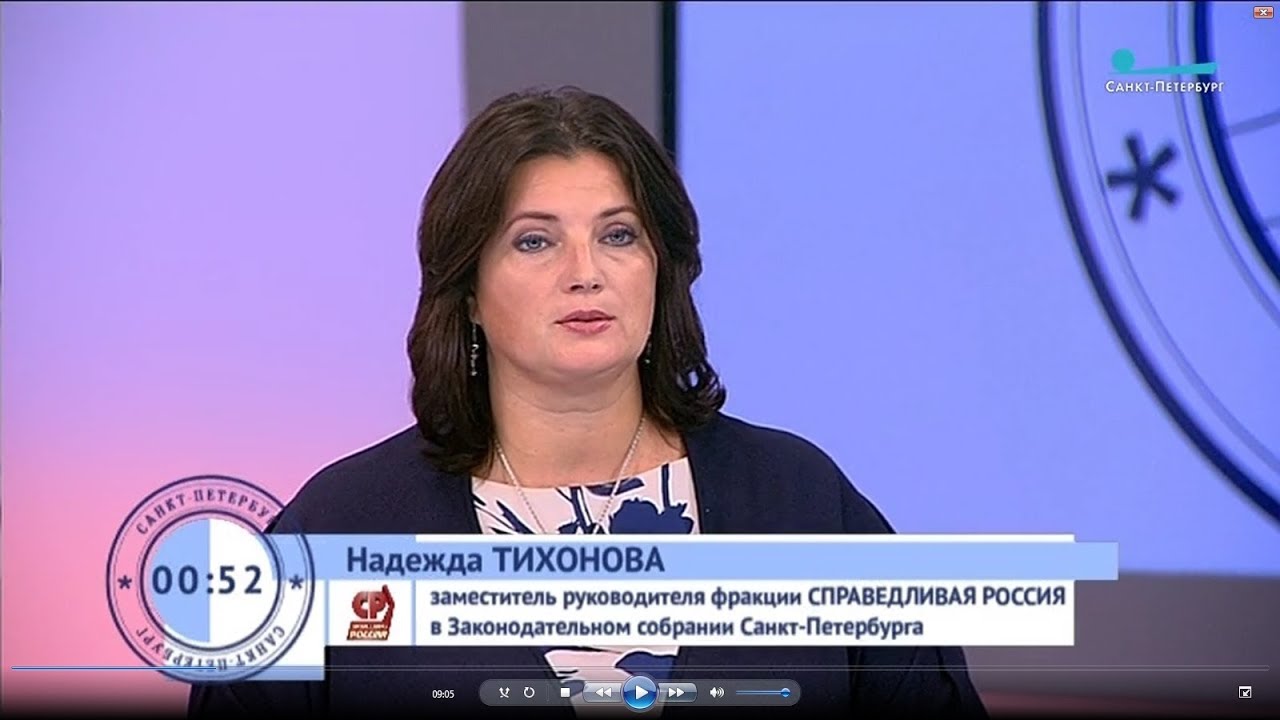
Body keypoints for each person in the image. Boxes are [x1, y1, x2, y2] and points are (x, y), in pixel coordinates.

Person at [188, 86, 987, 719]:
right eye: (535, 240)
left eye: (619, 235)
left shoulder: (801, 500)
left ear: (661, 269)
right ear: (469, 291)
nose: (586, 273)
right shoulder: (341, 526)